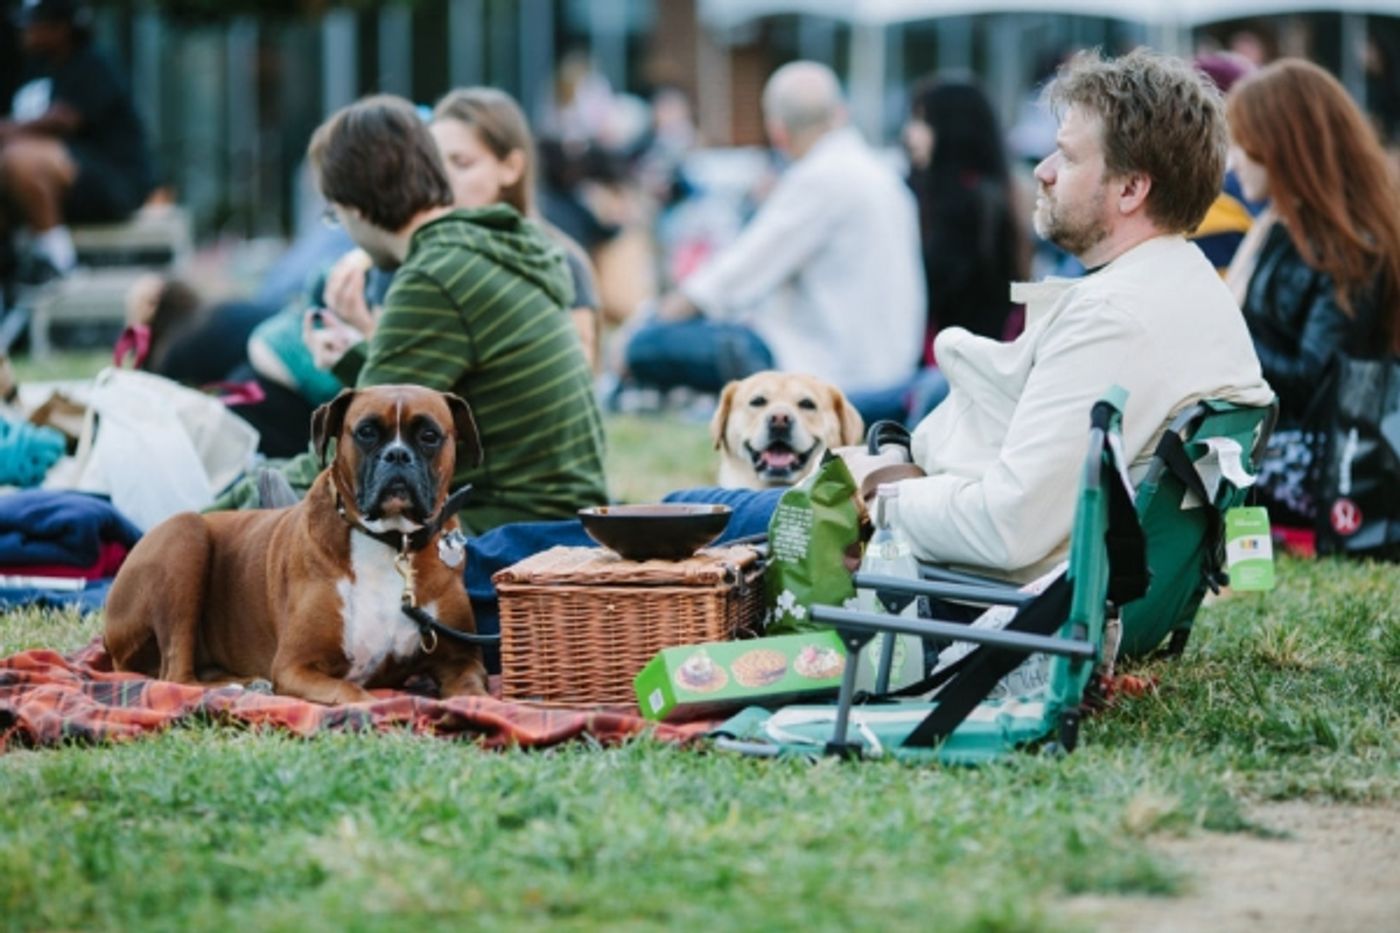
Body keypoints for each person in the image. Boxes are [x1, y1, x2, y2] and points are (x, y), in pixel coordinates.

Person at [833, 48, 1273, 581]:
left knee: (756, 510)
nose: (1042, 172)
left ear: (1131, 188)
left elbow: (1004, 528)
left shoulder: (1113, 318)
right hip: (1017, 561)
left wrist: (873, 497)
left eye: (1066, 157)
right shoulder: (1183, 281)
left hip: (974, 593)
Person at [242, 94, 607, 533]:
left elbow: (345, 459)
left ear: (354, 204)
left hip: (514, 527)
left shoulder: (434, 276)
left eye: (333, 214)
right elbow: (448, 397)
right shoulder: (486, 247)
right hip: (567, 513)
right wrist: (354, 359)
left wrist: (213, 512)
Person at [625, 61, 924, 423]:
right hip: (890, 367)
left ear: (778, 131)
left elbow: (730, 279)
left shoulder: (819, 177)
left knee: (648, 345)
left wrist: (651, 321)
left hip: (827, 369)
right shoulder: (881, 175)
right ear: (840, 113)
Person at [1224, 59, 1400, 525]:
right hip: (1283, 445)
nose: (1233, 160)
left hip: (1322, 467)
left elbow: (1316, 382)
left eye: (1242, 142)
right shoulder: (1279, 227)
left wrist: (1229, 331)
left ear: (1282, 144)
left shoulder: (1347, 248)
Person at [0, 0, 152, 281]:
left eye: (35, 23)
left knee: (18, 158)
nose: (26, 31)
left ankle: (59, 262)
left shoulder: (94, 63)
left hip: (110, 184)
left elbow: (63, 120)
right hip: (52, 186)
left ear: (61, 28)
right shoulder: (36, 68)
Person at [904, 78, 1028, 350]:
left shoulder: (964, 204)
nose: (911, 134)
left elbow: (927, 287)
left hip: (957, 356)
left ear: (953, 128)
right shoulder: (991, 194)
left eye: (922, 122)